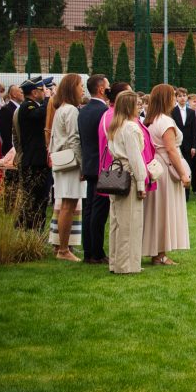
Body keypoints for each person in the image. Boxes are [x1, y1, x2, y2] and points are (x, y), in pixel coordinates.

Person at [143, 84, 191, 266]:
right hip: (165, 166)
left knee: (157, 209)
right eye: (172, 96)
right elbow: (171, 150)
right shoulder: (165, 121)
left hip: (157, 165)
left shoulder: (152, 119)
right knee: (164, 209)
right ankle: (160, 253)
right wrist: (183, 174)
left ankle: (157, 252)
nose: (175, 98)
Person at [106, 90, 149, 274]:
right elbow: (135, 158)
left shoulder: (115, 126)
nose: (139, 107)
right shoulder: (130, 128)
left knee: (117, 222)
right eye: (137, 104)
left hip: (116, 174)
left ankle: (116, 262)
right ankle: (127, 265)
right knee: (131, 222)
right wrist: (141, 183)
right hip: (128, 176)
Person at [47, 74, 85, 261]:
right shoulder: (70, 110)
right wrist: (82, 163)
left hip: (62, 161)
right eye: (80, 86)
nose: (83, 89)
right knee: (68, 206)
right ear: (72, 88)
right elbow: (73, 138)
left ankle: (61, 247)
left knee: (66, 205)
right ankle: (63, 249)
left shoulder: (62, 108)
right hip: (71, 163)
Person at [78, 74, 111, 264]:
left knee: (89, 209)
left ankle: (88, 250)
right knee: (99, 211)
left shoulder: (83, 110)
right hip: (102, 166)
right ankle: (96, 252)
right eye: (107, 86)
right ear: (100, 89)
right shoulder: (104, 112)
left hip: (90, 165)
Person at [16, 77, 51, 232]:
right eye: (43, 90)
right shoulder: (27, 106)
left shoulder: (34, 105)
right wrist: (49, 99)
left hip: (38, 160)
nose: (45, 92)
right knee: (34, 197)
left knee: (40, 198)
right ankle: (28, 228)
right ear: (34, 92)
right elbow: (39, 115)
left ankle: (33, 228)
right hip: (33, 161)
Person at [172, 88, 196, 200]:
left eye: (184, 95)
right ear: (176, 98)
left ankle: (186, 195)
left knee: (188, 168)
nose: (183, 98)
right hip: (176, 144)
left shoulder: (191, 112)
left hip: (188, 145)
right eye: (180, 96)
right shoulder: (172, 111)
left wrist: (193, 146)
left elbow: (193, 130)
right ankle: (176, 194)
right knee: (176, 167)